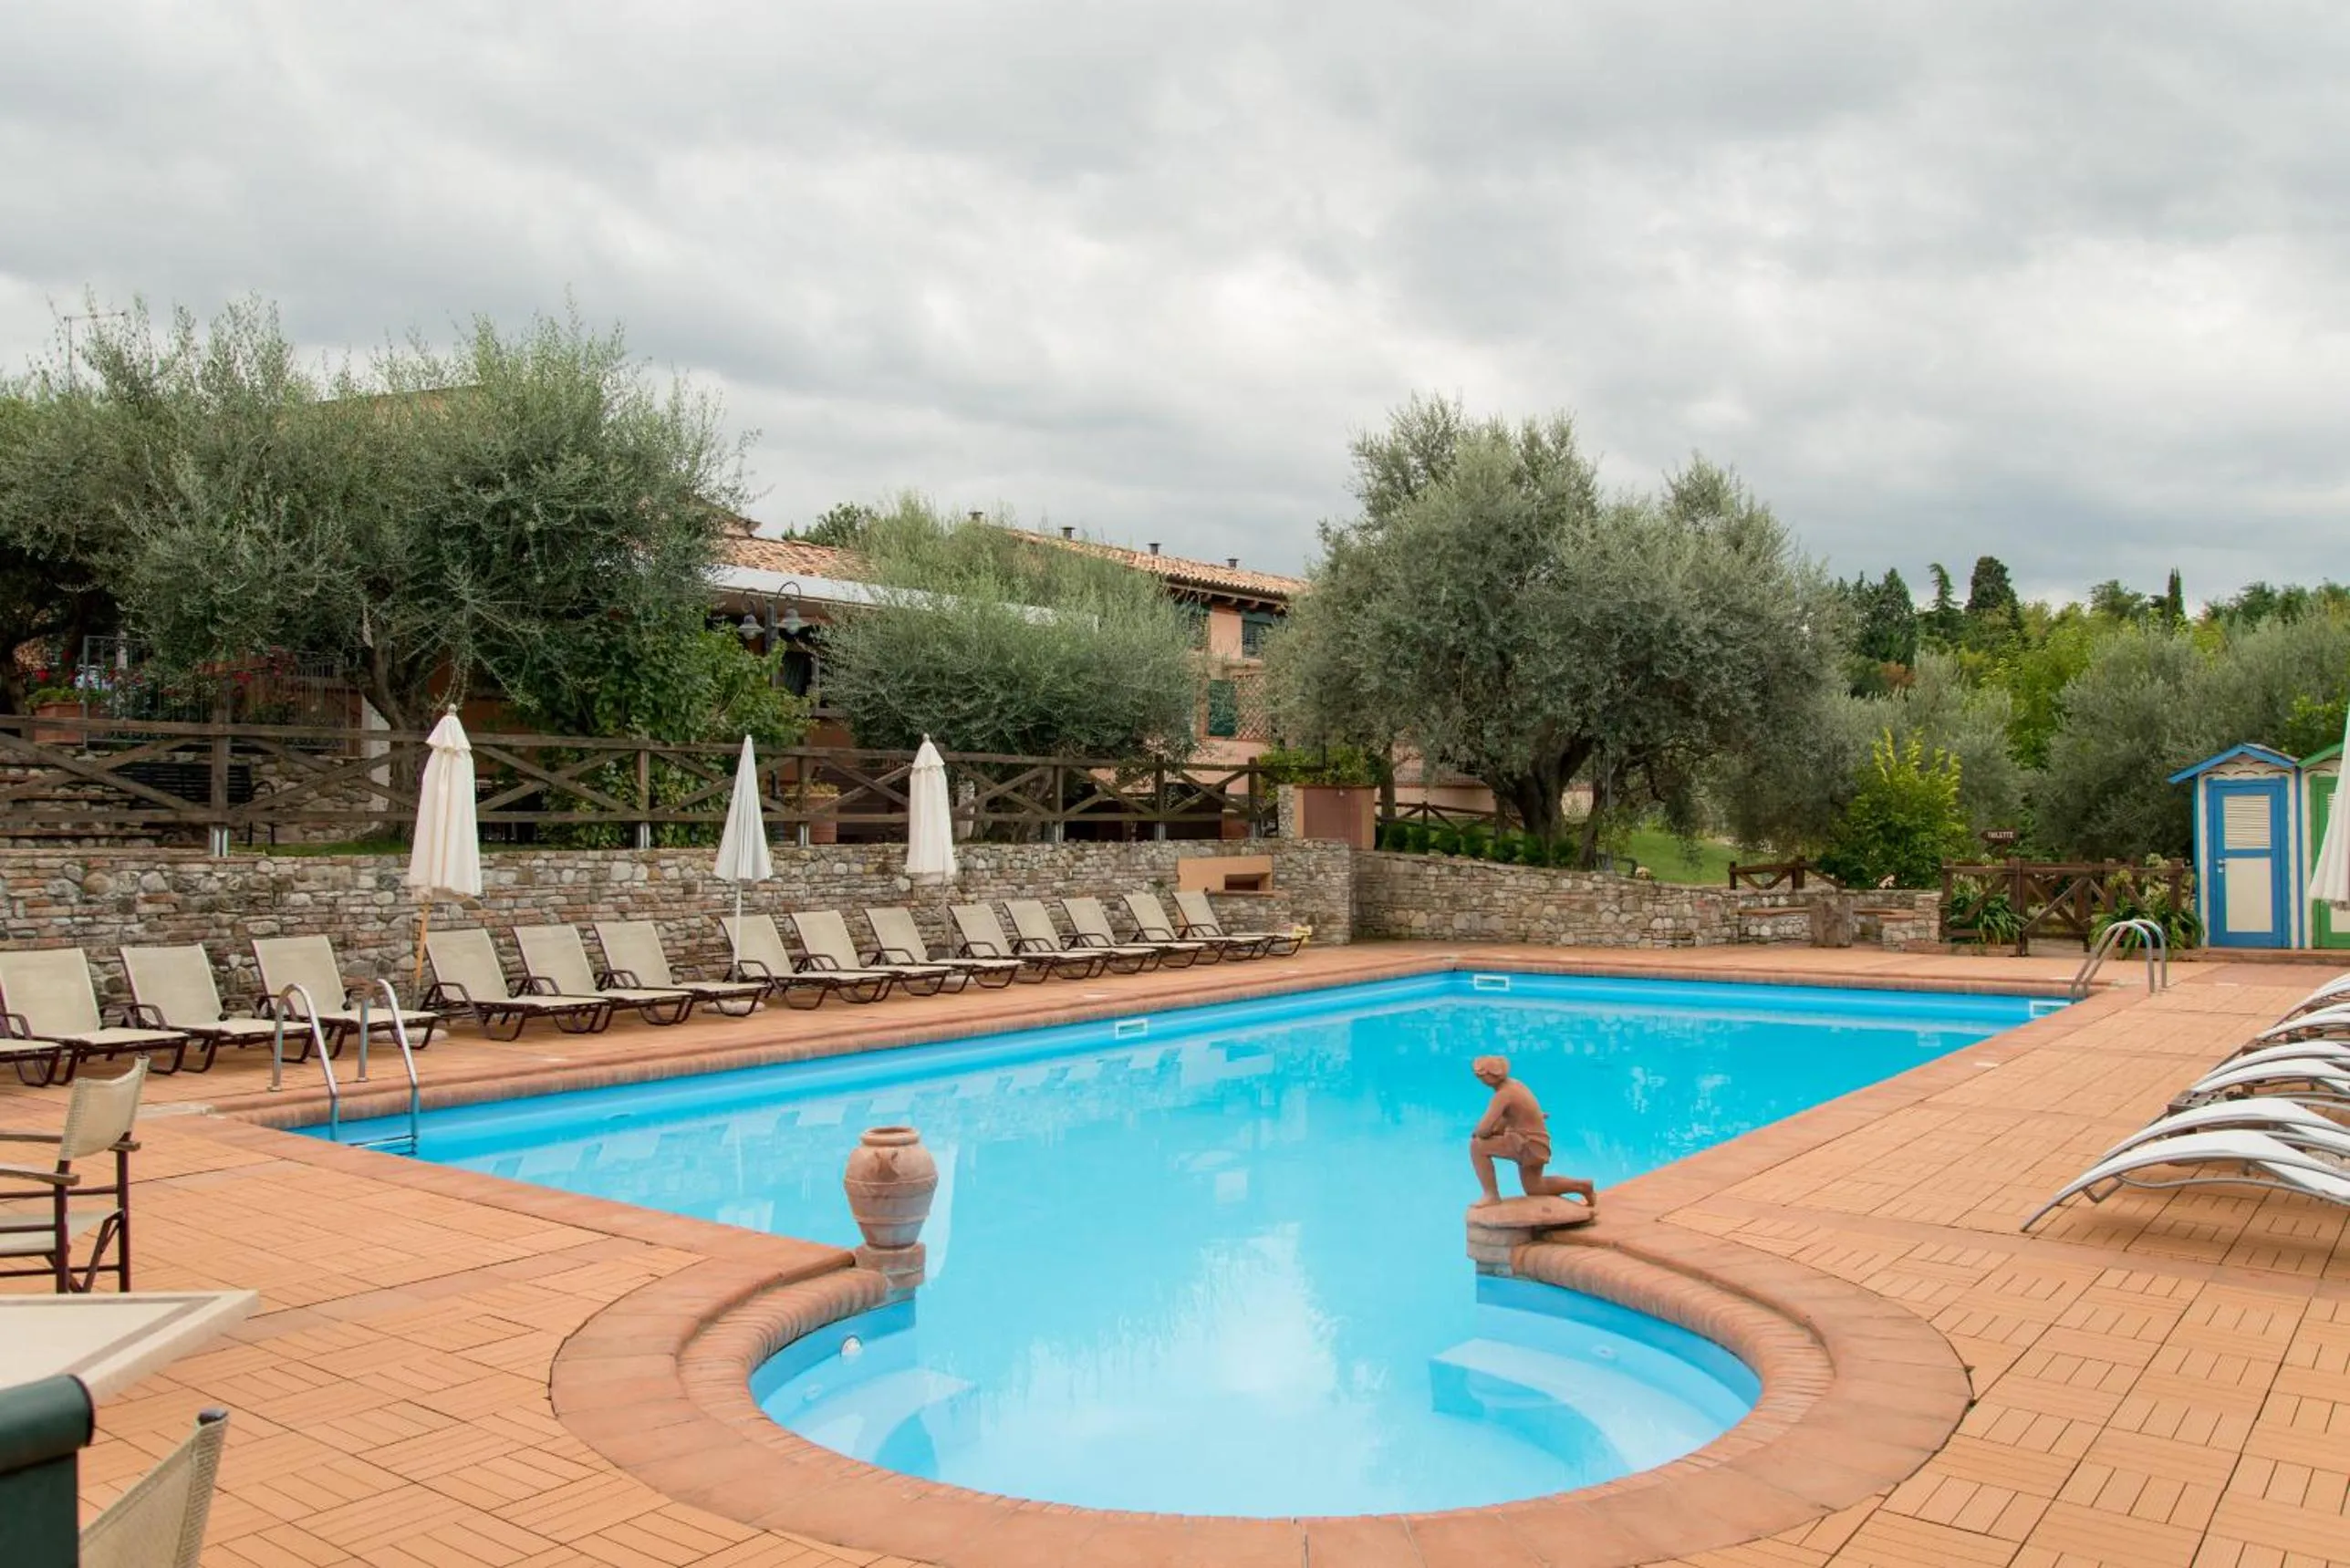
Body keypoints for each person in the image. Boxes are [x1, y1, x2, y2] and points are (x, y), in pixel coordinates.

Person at [1470, 1054, 1596, 1212]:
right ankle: (1582, 1186)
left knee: (1477, 1146)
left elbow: (1483, 1130)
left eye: (1481, 1075)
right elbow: (1510, 1116)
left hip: (1526, 1143)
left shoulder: (1503, 1095)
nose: (1479, 1079)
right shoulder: (1515, 1085)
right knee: (1535, 1187)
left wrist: (1480, 1132)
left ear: (1492, 1076)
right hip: (1537, 1143)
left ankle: (1491, 1195)